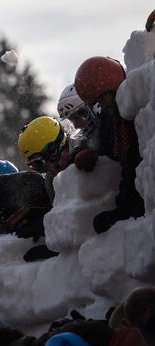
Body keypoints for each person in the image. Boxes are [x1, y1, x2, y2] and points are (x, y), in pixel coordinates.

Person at [73, 56, 145, 233]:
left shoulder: (134, 113)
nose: (102, 108)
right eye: (96, 105)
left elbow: (132, 162)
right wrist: (82, 153)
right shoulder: (112, 118)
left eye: (101, 100)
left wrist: (123, 209)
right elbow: (98, 143)